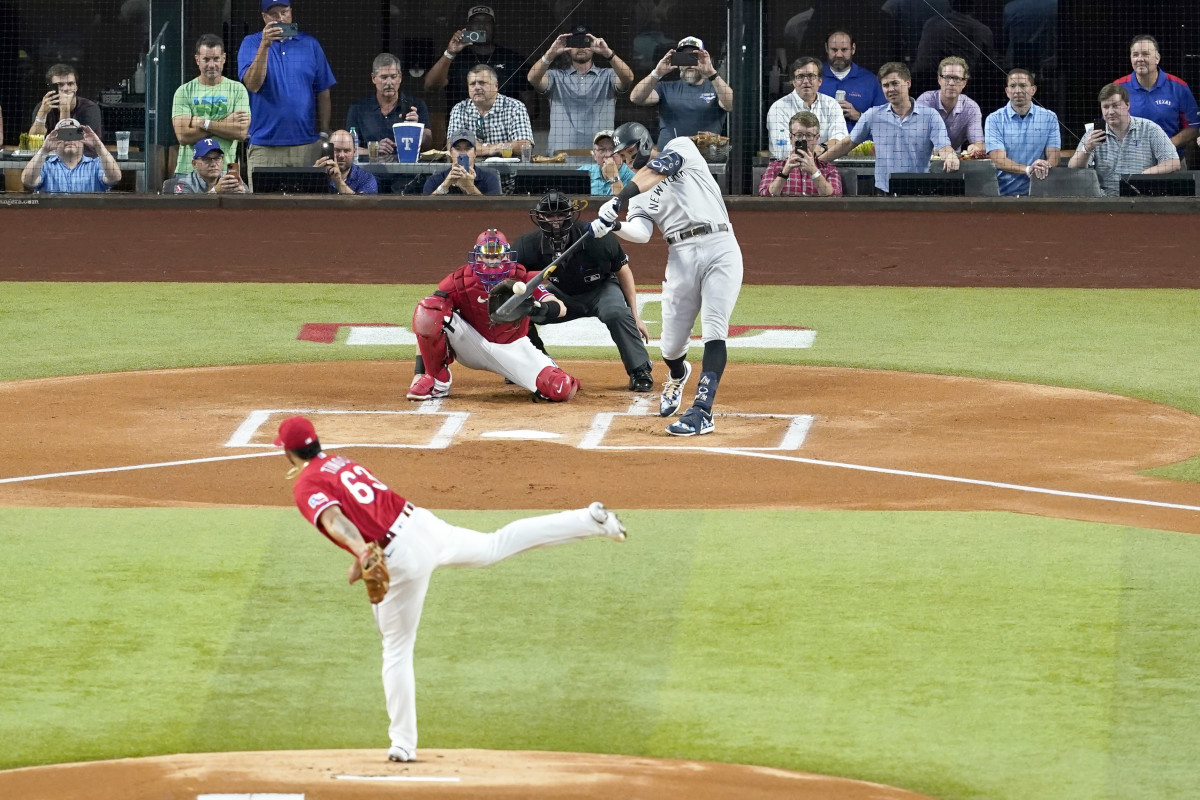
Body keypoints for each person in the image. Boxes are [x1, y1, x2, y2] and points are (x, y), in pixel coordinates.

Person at [274, 414, 626, 764]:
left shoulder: (306, 485)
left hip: (400, 556)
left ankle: (403, 743)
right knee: (494, 545)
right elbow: (369, 513)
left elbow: (335, 519)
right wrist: (359, 556)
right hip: (421, 525)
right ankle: (586, 519)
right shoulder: (340, 462)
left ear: (289, 453)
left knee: (396, 649)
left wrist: (363, 552)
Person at [591, 121, 743, 437]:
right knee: (671, 348)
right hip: (681, 257)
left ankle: (702, 411)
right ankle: (677, 373)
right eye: (623, 156)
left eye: (630, 152)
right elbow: (643, 233)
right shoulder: (639, 194)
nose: (627, 160)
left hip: (720, 246)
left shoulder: (681, 149)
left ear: (645, 144)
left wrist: (618, 198)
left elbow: (658, 170)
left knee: (715, 329)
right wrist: (614, 226)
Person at [408, 229, 581, 402]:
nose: (492, 262)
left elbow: (561, 308)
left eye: (497, 257)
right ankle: (438, 382)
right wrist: (419, 372)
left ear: (506, 256)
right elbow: (427, 318)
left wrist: (538, 308)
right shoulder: (460, 279)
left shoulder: (520, 277)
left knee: (560, 388)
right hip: (472, 342)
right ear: (478, 257)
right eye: (488, 257)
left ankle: (546, 374)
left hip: (513, 348)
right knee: (428, 309)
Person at [511, 191, 654, 391]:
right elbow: (512, 278)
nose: (555, 221)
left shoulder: (597, 237)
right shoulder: (528, 245)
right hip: (561, 295)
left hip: (601, 290)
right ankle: (535, 363)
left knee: (616, 312)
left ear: (570, 215)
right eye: (550, 216)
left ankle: (639, 370)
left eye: (560, 215)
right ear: (540, 217)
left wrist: (635, 315)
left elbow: (623, 271)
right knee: (519, 310)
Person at [820, 63, 959, 194]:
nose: (890, 89)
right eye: (885, 85)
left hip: (920, 189)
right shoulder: (873, 115)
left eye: (895, 83)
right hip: (883, 191)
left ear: (908, 83)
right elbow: (848, 143)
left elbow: (943, 146)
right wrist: (818, 162)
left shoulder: (930, 116)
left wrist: (951, 156)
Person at [238, 0, 336, 175]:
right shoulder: (251, 43)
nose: (280, 18)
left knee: (308, 201)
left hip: (307, 146)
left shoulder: (310, 44)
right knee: (262, 202)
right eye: (274, 14)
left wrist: (323, 132)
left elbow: (323, 91)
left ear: (291, 12)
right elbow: (253, 85)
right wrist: (264, 45)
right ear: (264, 17)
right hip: (265, 147)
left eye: (284, 12)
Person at [526, 24, 634, 155]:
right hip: (561, 157)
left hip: (600, 157)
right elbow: (532, 78)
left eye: (586, 42)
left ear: (594, 46)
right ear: (568, 48)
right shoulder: (556, 76)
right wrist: (550, 54)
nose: (581, 47)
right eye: (576, 43)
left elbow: (628, 78)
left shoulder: (608, 75)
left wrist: (608, 53)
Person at [1068, 83, 1179, 197]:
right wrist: (1087, 148)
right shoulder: (1093, 133)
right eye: (1106, 107)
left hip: (1141, 198)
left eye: (1115, 106)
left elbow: (1173, 162)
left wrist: (1143, 176)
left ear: (1127, 105)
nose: (1110, 112)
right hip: (1104, 200)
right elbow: (1073, 166)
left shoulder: (1150, 129)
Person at [629, 36, 733, 150]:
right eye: (684, 58)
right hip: (668, 157)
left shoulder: (716, 88)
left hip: (706, 158)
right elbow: (636, 98)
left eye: (694, 57)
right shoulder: (665, 88)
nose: (690, 64)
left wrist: (711, 72)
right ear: (678, 62)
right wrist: (657, 73)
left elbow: (730, 105)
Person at [424, 5, 535, 111]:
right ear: (468, 28)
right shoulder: (454, 58)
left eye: (487, 22)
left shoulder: (512, 59)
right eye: (476, 22)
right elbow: (430, 87)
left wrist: (518, 127)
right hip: (462, 127)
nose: (482, 26)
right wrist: (450, 53)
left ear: (494, 27)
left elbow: (531, 103)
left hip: (503, 127)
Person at [172, 34, 252, 176]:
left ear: (224, 59)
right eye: (206, 59)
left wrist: (203, 123)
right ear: (197, 60)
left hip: (224, 170)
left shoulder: (238, 89)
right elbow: (183, 137)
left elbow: (240, 133)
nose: (211, 65)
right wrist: (225, 123)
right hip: (188, 171)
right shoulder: (183, 91)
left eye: (216, 59)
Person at [1114, 34, 1200, 157]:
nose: (1140, 59)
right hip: (1129, 160)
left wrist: (1165, 145)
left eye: (1145, 54)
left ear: (1157, 58)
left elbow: (1193, 128)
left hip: (1171, 160)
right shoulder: (1118, 87)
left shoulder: (1179, 87)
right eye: (1135, 55)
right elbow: (1108, 124)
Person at [983, 68, 1060, 196]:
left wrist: (1044, 166)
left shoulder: (1049, 117)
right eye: (1013, 86)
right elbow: (998, 159)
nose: (1018, 90)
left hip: (1039, 193)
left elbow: (1055, 156)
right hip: (1002, 194)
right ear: (1007, 91)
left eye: (1023, 85)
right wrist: (1028, 169)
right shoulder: (994, 119)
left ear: (1033, 90)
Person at [346, 52, 431, 160]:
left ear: (400, 77)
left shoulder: (416, 105)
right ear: (373, 78)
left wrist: (416, 129)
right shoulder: (357, 109)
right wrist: (373, 149)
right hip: (369, 173)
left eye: (393, 77)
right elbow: (347, 148)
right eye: (384, 77)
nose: (389, 82)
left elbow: (428, 143)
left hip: (407, 173)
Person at [765, 57, 848, 161]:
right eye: (800, 77)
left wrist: (822, 147)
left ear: (820, 81)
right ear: (794, 82)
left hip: (825, 169)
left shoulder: (831, 105)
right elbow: (782, 150)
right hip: (787, 170)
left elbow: (841, 140)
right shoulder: (778, 108)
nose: (805, 81)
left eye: (811, 76)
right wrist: (815, 153)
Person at [445, 64, 533, 158]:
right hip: (470, 169)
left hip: (507, 169)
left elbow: (525, 146)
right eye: (472, 84)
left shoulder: (515, 107)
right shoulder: (459, 109)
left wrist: (477, 148)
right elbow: (452, 146)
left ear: (496, 86)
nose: (477, 87)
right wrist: (493, 149)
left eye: (482, 83)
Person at [21, 119, 121, 193]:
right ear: (55, 140)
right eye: (64, 135)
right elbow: (28, 181)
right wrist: (44, 150)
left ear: (82, 139)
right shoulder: (44, 166)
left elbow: (115, 178)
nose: (69, 140)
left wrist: (98, 146)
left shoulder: (96, 165)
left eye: (74, 134)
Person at [758, 111, 843, 197]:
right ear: (791, 138)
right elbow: (764, 196)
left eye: (809, 135)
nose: (804, 140)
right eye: (799, 135)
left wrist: (814, 171)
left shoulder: (829, 170)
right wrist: (784, 172)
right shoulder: (774, 167)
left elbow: (835, 197)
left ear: (817, 138)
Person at [914, 56, 985, 156]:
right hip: (923, 157)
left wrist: (975, 148)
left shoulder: (971, 108)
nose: (951, 83)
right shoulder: (925, 101)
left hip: (954, 159)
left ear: (964, 83)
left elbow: (979, 142)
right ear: (939, 80)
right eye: (947, 77)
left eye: (956, 78)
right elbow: (916, 136)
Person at [818, 31, 885, 135]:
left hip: (859, 148)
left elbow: (885, 121)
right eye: (834, 50)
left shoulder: (870, 81)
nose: (839, 55)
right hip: (821, 147)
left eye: (844, 50)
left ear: (853, 49)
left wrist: (859, 116)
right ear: (826, 48)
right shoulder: (813, 77)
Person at [28, 64, 103, 141]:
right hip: (49, 152)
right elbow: (33, 140)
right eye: (60, 84)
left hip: (84, 152)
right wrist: (42, 113)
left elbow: (68, 143)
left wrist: (65, 109)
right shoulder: (43, 106)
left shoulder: (89, 107)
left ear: (76, 87)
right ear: (51, 88)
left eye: (70, 84)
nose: (66, 88)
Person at [422, 130, 501, 195]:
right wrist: (445, 185)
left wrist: (470, 187)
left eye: (467, 148)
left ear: (475, 153)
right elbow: (425, 209)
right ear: (450, 153)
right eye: (458, 148)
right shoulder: (435, 180)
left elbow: (492, 211)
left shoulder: (489, 180)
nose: (463, 153)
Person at [162, 138, 248, 193]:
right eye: (207, 159)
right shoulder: (184, 183)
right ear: (194, 164)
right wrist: (215, 191)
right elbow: (187, 210)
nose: (214, 164)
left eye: (217, 158)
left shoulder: (230, 179)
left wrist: (243, 196)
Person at [316, 129, 378, 194]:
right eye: (337, 150)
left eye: (346, 151)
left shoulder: (366, 179)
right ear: (328, 151)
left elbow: (364, 203)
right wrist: (314, 176)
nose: (341, 155)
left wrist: (339, 182)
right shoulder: (315, 171)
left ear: (354, 153)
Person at [578, 129, 636, 195]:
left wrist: (614, 177)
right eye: (601, 150)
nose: (608, 155)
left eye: (613, 149)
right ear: (595, 155)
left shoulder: (633, 178)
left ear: (622, 154)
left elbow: (623, 204)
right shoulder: (584, 172)